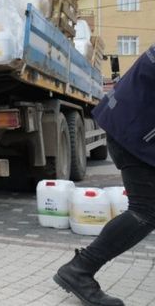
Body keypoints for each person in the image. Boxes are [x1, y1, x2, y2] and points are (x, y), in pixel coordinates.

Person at [52, 47, 155, 306]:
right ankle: (79, 270)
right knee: (145, 211)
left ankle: (80, 269)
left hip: (132, 124)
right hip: (136, 132)